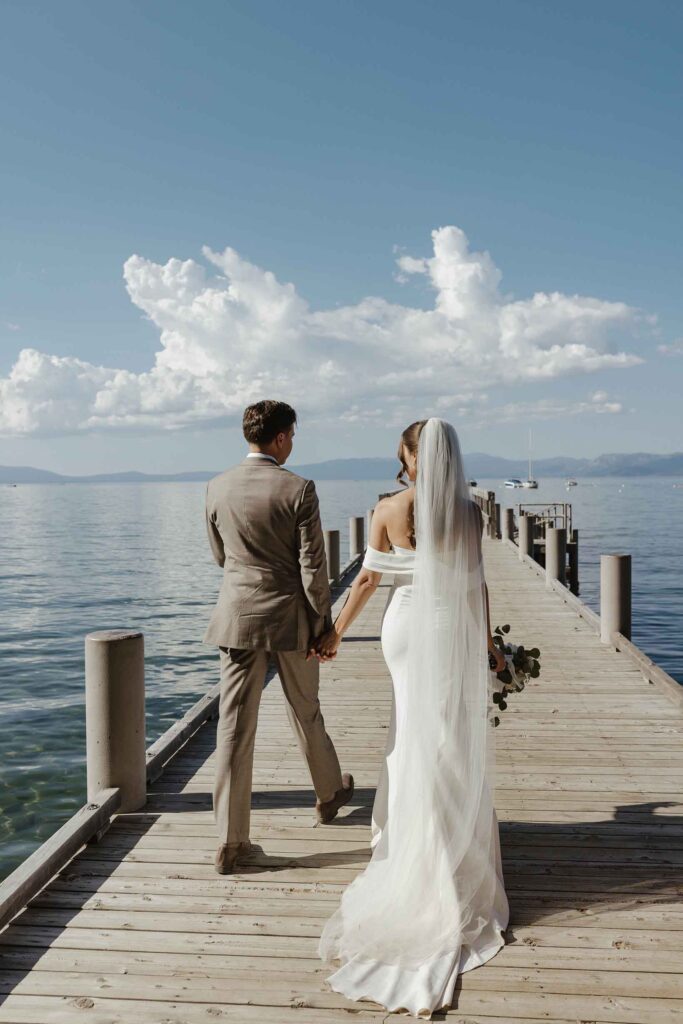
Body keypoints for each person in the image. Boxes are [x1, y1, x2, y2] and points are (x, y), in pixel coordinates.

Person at [315, 417, 509, 1018]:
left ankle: (410, 848)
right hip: (450, 628)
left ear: (408, 455)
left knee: (410, 736)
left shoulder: (388, 507)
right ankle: (451, 850)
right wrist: (491, 648)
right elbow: (475, 586)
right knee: (447, 739)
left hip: (403, 629)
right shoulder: (471, 512)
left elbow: (369, 578)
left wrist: (335, 634)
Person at [204, 400, 354, 875]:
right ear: (283, 437)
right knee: (304, 707)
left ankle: (231, 843)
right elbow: (314, 567)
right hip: (292, 618)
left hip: (237, 618)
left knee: (233, 728)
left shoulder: (216, 486)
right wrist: (326, 622)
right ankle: (329, 795)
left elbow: (219, 556)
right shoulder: (299, 488)